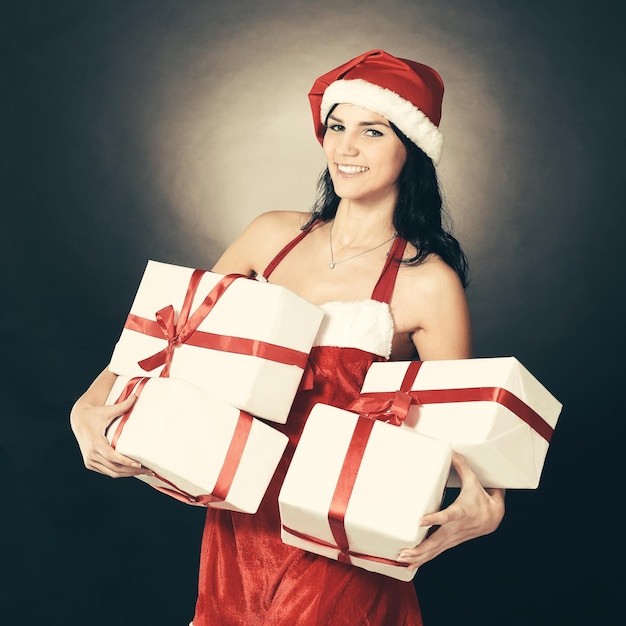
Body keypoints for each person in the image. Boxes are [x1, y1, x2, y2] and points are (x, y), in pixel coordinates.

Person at [70, 49, 505, 625]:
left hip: (339, 532)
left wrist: (488, 510)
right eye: (337, 127)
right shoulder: (269, 236)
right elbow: (170, 335)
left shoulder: (428, 284)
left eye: (371, 131)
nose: (345, 148)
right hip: (235, 519)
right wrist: (87, 405)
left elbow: (466, 431)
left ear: (412, 148)